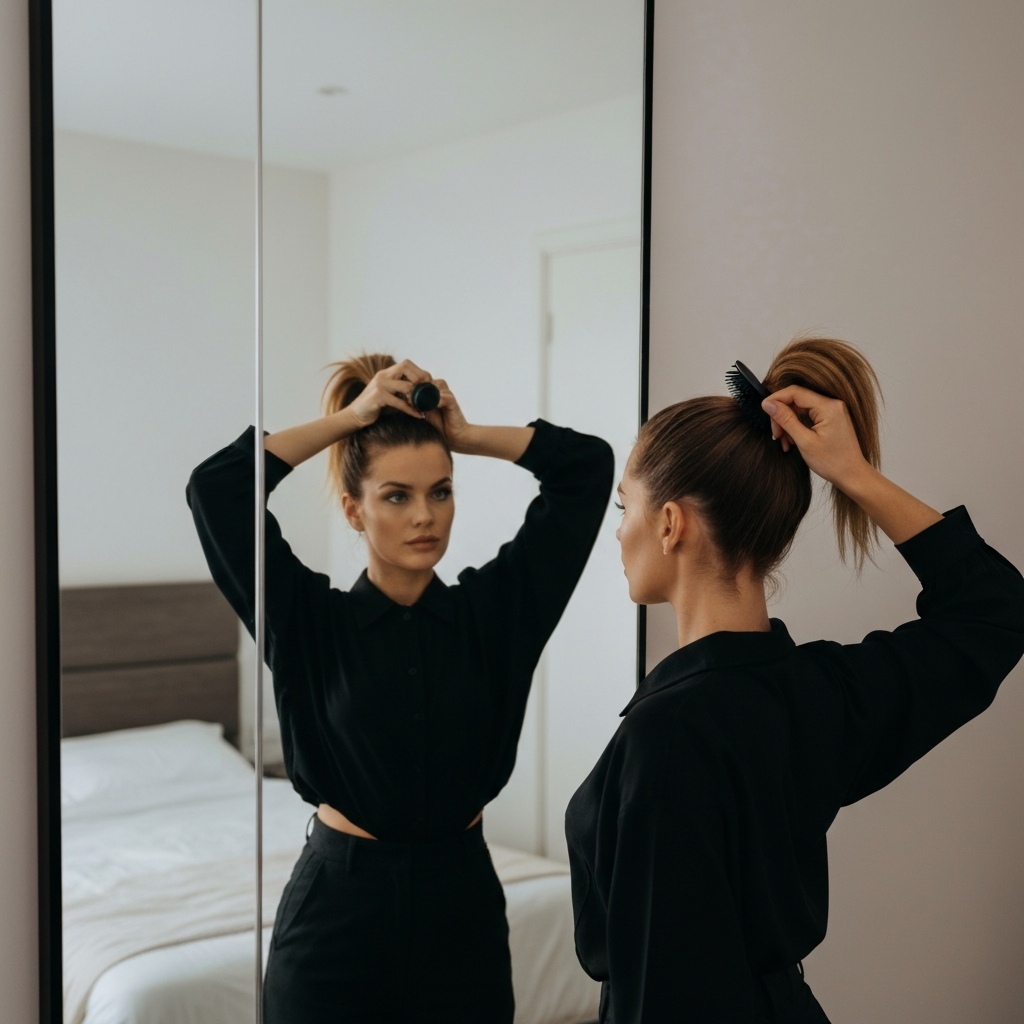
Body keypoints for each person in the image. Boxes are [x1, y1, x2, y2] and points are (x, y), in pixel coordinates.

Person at [564, 337, 1024, 1024]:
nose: (617, 531)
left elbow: (661, 992)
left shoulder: (669, 735)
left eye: (621, 506)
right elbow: (993, 612)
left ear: (669, 524)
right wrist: (854, 474)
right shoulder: (819, 693)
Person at [187, 354, 613, 1023]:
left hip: (462, 914)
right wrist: (347, 422)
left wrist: (467, 436)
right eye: (397, 495)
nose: (425, 515)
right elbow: (218, 488)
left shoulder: (496, 617)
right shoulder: (305, 624)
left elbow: (586, 468)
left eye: (440, 491)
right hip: (335, 920)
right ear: (354, 511)